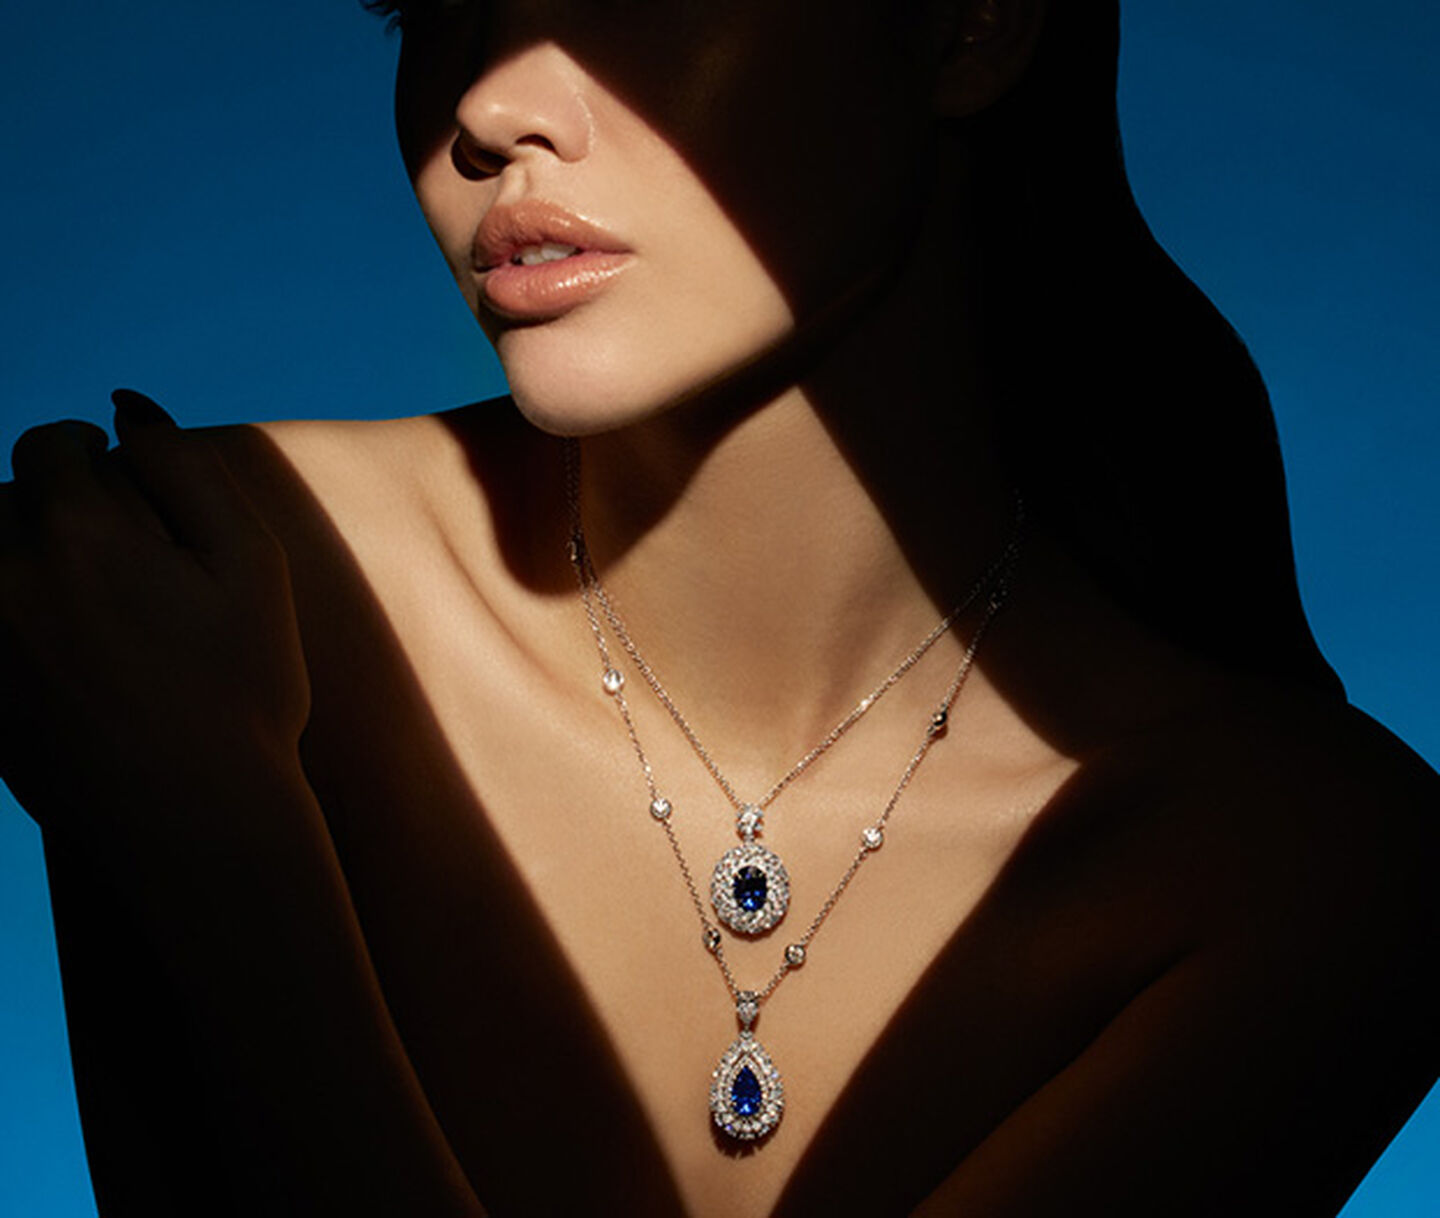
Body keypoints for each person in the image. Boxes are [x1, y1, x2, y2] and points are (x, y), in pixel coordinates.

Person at [1, 0, 1435, 1213]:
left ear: (970, 21)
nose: (489, 103)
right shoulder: (201, 586)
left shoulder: (1300, 866)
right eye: (433, 2)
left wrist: (225, 860)